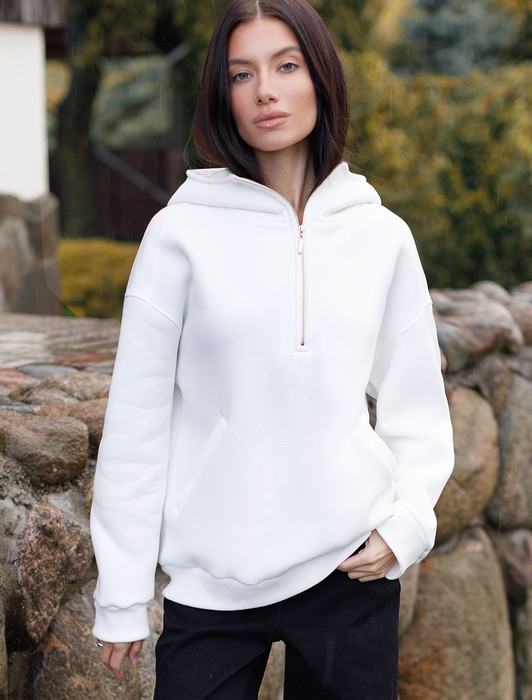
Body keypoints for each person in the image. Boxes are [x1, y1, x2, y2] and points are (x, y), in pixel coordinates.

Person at [90, 0, 454, 697]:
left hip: (350, 571)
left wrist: (406, 525)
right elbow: (137, 424)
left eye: (286, 66)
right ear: (221, 95)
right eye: (242, 73)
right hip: (213, 583)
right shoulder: (179, 235)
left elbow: (418, 408)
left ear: (320, 77)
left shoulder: (381, 237)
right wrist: (122, 595)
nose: (265, 90)